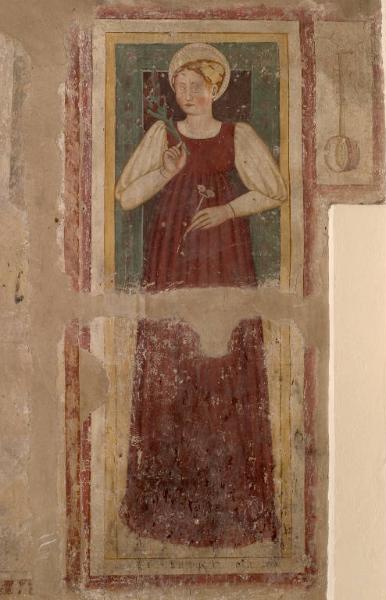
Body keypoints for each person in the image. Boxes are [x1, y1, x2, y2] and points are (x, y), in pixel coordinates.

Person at [116, 43, 287, 547]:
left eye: (197, 86)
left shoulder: (238, 135)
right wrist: (165, 172)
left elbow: (275, 190)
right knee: (173, 358)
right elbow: (125, 196)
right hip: (170, 258)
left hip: (224, 255)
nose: (188, 94)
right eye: (181, 87)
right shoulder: (162, 136)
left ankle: (235, 506)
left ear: (215, 89)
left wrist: (229, 210)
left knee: (225, 362)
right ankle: (163, 508)